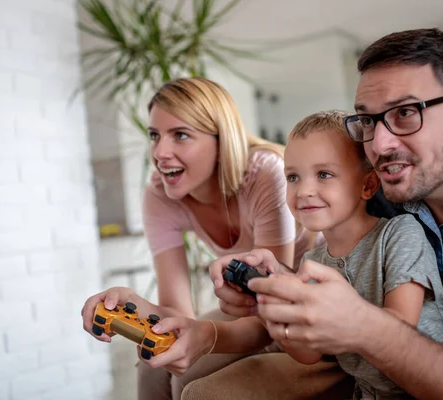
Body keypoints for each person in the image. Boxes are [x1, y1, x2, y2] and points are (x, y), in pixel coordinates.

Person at [199, 28, 443, 399]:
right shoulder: (387, 182)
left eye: (406, 113)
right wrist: (273, 285)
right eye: (369, 121)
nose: (379, 145)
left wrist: (361, 324)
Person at [180, 110, 443, 399]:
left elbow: (399, 330)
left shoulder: (399, 235)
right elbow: (309, 354)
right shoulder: (312, 263)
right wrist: (267, 305)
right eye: (292, 177)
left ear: (367, 185)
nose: (303, 191)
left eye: (324, 174)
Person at [80, 77, 336, 400]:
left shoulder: (265, 174)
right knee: (152, 363)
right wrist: (132, 303)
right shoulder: (160, 195)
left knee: (191, 380)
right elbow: (177, 312)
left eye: (181, 135)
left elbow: (270, 304)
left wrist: (209, 337)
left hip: (294, 307)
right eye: (155, 136)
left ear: (221, 139)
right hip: (254, 307)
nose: (160, 153)